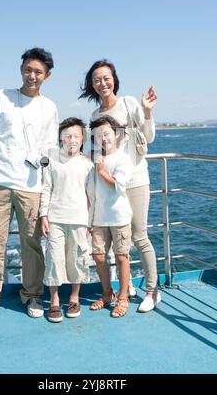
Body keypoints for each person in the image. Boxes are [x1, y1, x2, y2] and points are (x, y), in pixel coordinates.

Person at [0, 47, 59, 321]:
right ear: (21, 69)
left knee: (31, 244)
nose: (32, 75)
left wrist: (46, 180)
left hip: (31, 185)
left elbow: (50, 149)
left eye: (38, 72)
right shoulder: (1, 97)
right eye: (28, 69)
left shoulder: (49, 107)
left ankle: (33, 294)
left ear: (47, 76)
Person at [79, 59, 161, 312]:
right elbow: (97, 151)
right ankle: (124, 288)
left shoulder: (129, 103)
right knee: (114, 240)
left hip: (134, 180)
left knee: (139, 235)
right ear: (91, 85)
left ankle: (152, 290)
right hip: (108, 184)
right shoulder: (94, 116)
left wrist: (147, 111)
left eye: (106, 77)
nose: (102, 83)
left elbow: (148, 137)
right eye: (96, 80)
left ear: (114, 79)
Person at [40, 117, 94, 323]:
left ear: (82, 139)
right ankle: (54, 300)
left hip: (79, 219)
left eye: (76, 136)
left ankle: (74, 297)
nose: (72, 139)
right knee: (54, 258)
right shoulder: (52, 160)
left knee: (77, 258)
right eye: (67, 136)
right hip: (56, 218)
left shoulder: (88, 163)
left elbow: (92, 196)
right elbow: (46, 188)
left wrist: (90, 222)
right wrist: (43, 215)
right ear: (60, 139)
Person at [89, 115, 132, 317]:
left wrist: (102, 171)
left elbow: (118, 185)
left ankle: (123, 298)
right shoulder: (93, 159)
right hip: (98, 218)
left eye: (106, 133)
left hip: (119, 217)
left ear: (116, 134)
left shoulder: (123, 158)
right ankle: (107, 295)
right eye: (98, 135)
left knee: (121, 257)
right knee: (98, 256)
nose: (103, 138)